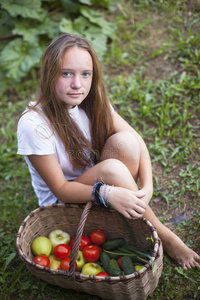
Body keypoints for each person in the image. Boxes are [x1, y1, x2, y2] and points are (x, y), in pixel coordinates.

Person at [17, 33, 200, 270]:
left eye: (85, 74)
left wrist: (148, 187)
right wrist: (108, 193)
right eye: (66, 73)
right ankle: (163, 235)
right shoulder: (33, 123)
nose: (77, 84)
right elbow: (61, 189)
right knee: (112, 169)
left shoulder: (91, 99)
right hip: (64, 201)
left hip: (99, 179)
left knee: (126, 142)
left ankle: (128, 209)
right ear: (49, 73)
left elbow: (138, 142)